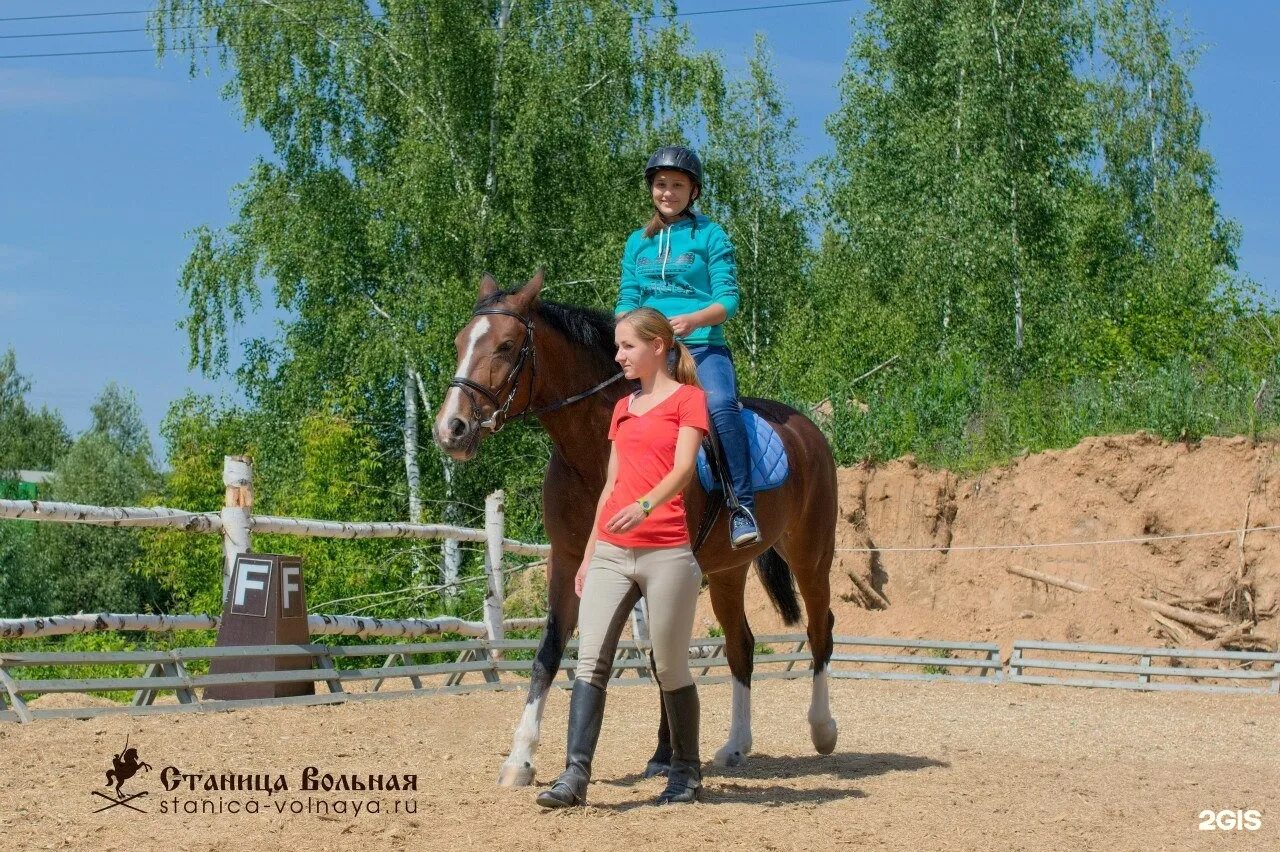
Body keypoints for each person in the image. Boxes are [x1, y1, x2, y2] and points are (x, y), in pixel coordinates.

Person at [536, 308, 708, 809]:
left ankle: (685, 772)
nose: (618, 356)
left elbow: (682, 470)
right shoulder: (622, 408)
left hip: (667, 552)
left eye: (627, 346)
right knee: (590, 661)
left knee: (670, 666)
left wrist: (646, 506)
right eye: (616, 347)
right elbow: (610, 485)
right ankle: (574, 776)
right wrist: (590, 553)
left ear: (658, 346)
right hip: (612, 551)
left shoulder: (689, 401)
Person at [616, 145, 760, 549]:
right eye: (661, 184)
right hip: (650, 351)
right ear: (651, 189)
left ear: (693, 191)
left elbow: (728, 300)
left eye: (677, 185)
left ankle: (741, 507)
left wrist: (693, 320)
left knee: (718, 407)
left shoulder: (711, 235)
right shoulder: (636, 243)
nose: (668, 192)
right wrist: (625, 332)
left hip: (702, 347)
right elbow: (627, 299)